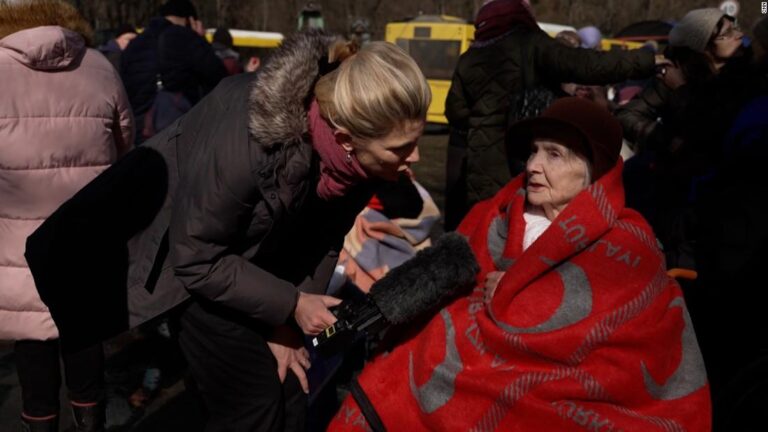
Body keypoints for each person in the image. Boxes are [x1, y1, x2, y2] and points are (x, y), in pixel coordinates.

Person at [25, 32, 431, 432]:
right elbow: (196, 257)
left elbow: (323, 240)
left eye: (416, 140)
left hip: (249, 264)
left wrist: (286, 324)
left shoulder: (360, 162)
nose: (415, 158)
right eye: (400, 148)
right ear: (344, 139)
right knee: (252, 401)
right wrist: (290, 304)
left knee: (292, 385)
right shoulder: (251, 139)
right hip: (187, 268)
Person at [328, 97, 711, 431]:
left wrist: (515, 295)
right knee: (402, 368)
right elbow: (437, 273)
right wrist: (362, 316)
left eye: (554, 155)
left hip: (567, 387)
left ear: (594, 171)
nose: (532, 166)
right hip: (465, 366)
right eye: (533, 151)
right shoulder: (495, 213)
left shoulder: (626, 242)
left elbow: (625, 334)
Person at [0, 1, 133, 431]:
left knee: (32, 346)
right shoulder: (100, 67)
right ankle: (90, 423)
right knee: (85, 341)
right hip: (86, 238)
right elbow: (125, 145)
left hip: (17, 242)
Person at [443, 0, 663, 231]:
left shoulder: (470, 56)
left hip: (481, 159)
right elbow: (586, 65)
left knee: (484, 227)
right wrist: (646, 61)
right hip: (521, 153)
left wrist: (482, 121)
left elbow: (454, 110)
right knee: (523, 223)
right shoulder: (529, 42)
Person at [120, 0, 226, 143]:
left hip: (140, 129)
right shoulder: (186, 38)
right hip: (175, 127)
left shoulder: (134, 44)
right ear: (190, 20)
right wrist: (201, 39)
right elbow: (218, 75)